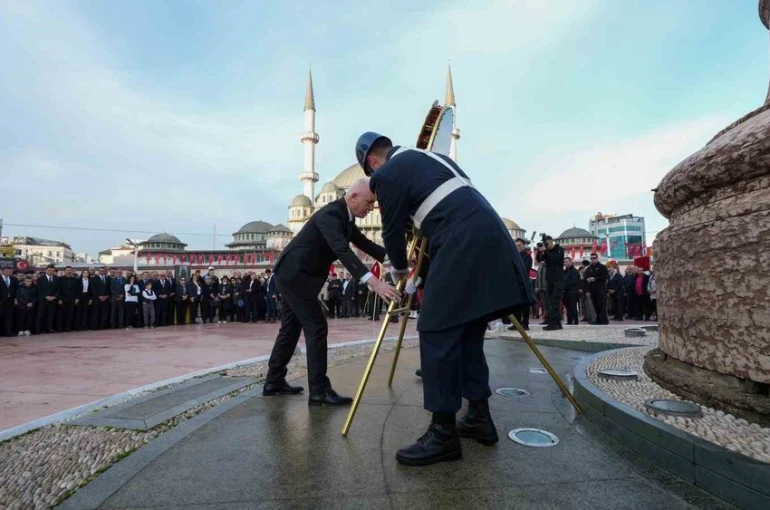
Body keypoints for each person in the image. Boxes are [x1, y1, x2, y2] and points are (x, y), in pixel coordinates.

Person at [357, 131, 534, 466]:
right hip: (489, 236)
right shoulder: (431, 159)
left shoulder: (386, 174)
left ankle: (442, 434)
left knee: (436, 329)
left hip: (460, 241)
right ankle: (480, 417)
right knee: (467, 332)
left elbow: (391, 230)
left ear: (371, 162)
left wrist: (397, 270)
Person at [263, 177, 399, 405]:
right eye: (368, 202)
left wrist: (395, 258)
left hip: (294, 275)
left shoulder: (345, 218)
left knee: (290, 329)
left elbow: (364, 243)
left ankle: (274, 380)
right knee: (316, 327)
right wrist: (374, 282)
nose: (370, 208)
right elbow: (342, 250)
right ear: (354, 197)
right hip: (295, 276)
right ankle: (319, 391)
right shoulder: (330, 215)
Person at [536, 236, 565, 330]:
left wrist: (546, 251)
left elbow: (555, 259)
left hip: (558, 279)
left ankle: (553, 324)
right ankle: (557, 323)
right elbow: (540, 259)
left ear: (551, 242)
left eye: (547, 243)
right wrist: (541, 250)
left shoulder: (559, 249)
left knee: (555, 301)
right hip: (549, 280)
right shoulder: (547, 251)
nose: (546, 245)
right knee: (551, 302)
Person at [584, 253, 609, 324]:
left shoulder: (602, 267)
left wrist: (595, 279)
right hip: (592, 290)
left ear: (597, 258)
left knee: (601, 306)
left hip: (600, 290)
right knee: (595, 306)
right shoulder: (589, 268)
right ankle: (598, 319)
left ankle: (603, 320)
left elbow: (605, 277)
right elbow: (585, 278)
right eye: (591, 258)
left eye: (594, 258)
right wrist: (587, 288)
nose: (593, 260)